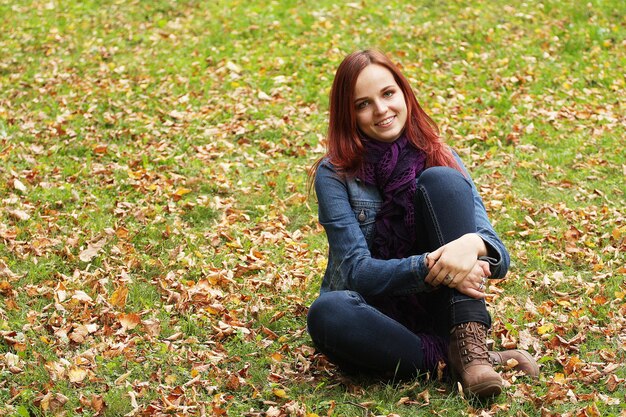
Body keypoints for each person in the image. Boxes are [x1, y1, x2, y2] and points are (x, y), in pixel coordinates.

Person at [306, 49, 538, 398]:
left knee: (443, 182)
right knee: (327, 312)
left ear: (403, 93)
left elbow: (498, 256)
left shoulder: (438, 152)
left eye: (387, 94)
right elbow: (357, 271)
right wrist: (431, 267)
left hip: (445, 313)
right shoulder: (335, 173)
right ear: (348, 114)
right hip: (376, 316)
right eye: (363, 104)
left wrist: (470, 245)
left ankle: (468, 345)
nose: (382, 110)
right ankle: (456, 359)